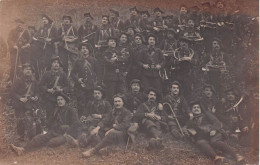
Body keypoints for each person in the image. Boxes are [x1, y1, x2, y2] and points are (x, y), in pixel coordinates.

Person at [10, 93, 79, 156]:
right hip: (55, 132)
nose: (59, 101)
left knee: (52, 142)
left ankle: (32, 149)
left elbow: (76, 125)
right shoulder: (56, 110)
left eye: (61, 99)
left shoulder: (71, 110)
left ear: (65, 101)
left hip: (67, 134)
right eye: (58, 100)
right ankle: (22, 150)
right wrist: (40, 122)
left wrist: (66, 130)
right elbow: (49, 123)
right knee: (36, 138)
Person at [10, 63, 41, 140]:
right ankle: (20, 137)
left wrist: (36, 97)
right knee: (20, 120)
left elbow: (37, 91)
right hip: (20, 104)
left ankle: (31, 137)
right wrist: (20, 98)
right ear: (23, 71)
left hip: (30, 104)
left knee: (30, 120)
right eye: (26, 69)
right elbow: (12, 92)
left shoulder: (34, 81)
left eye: (30, 69)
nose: (28, 71)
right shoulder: (18, 80)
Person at [71, 43, 101, 116]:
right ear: (80, 50)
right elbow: (72, 74)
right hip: (81, 87)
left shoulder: (94, 60)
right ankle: (82, 120)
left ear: (89, 50)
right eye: (83, 48)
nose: (84, 50)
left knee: (91, 103)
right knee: (81, 104)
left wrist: (98, 84)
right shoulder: (77, 61)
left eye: (86, 48)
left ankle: (90, 120)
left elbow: (99, 73)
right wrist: (78, 80)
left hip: (91, 86)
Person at [39, 56, 69, 121]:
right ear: (51, 64)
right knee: (50, 115)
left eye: (58, 63)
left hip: (61, 97)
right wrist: (48, 90)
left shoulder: (63, 74)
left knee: (62, 115)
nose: (56, 64)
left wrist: (61, 89)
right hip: (50, 98)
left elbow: (68, 86)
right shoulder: (46, 74)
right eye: (54, 62)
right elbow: (41, 86)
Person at [103, 37, 128, 102]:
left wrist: (116, 59)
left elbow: (125, 59)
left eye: (114, 41)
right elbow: (108, 62)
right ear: (107, 43)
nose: (113, 42)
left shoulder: (118, 51)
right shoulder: (105, 52)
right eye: (111, 41)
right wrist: (118, 59)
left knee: (123, 94)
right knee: (110, 95)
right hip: (111, 77)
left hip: (120, 76)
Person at [32, 14, 57, 79]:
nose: (44, 21)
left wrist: (51, 39)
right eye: (43, 19)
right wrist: (37, 39)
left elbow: (57, 37)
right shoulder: (41, 28)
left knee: (48, 62)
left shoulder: (53, 28)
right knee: (40, 63)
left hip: (49, 47)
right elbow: (35, 36)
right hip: (40, 47)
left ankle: (48, 77)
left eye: (45, 19)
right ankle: (40, 76)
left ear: (48, 20)